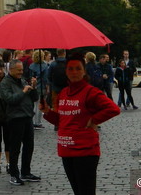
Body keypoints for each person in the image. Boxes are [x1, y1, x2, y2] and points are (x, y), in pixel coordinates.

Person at [40, 52, 121, 195]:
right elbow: (62, 121)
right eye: (70, 69)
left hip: (85, 150)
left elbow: (113, 109)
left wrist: (94, 119)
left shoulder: (90, 92)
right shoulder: (63, 93)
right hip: (66, 149)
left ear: (84, 72)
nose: (74, 72)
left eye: (78, 68)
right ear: (66, 72)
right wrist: (47, 111)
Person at [0, 58, 40, 186]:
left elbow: (34, 98)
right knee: (15, 148)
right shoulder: (5, 83)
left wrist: (33, 88)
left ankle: (25, 172)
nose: (21, 72)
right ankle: (14, 174)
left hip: (27, 116)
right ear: (10, 70)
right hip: (15, 118)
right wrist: (23, 92)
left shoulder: (22, 81)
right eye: (18, 70)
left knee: (29, 146)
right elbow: (10, 99)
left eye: (22, 70)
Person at [29, 50, 49, 128]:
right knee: (40, 105)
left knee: (34, 104)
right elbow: (45, 79)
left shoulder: (31, 65)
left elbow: (30, 77)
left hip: (33, 86)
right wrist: (47, 88)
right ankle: (38, 122)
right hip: (41, 87)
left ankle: (33, 121)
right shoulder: (44, 66)